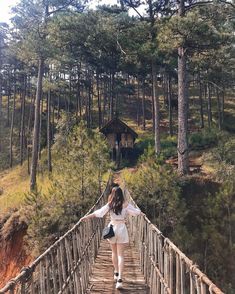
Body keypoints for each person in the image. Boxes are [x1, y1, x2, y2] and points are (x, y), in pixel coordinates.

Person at [80, 185, 144, 289]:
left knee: (114, 252)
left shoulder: (110, 205)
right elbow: (136, 212)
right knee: (121, 255)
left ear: (112, 194)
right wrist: (142, 213)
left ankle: (116, 272)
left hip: (112, 229)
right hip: (122, 229)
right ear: (121, 194)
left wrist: (87, 217)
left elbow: (99, 213)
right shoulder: (126, 204)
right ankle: (120, 280)